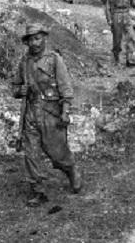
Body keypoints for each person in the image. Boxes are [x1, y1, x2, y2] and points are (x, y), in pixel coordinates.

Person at [12, 22, 82, 206]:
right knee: (31, 153)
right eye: (31, 40)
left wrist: (65, 112)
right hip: (31, 113)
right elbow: (14, 88)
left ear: (44, 38)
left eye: (38, 38)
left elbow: (66, 88)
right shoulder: (24, 62)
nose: (35, 43)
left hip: (50, 112)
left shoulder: (54, 59)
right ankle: (38, 190)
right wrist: (21, 90)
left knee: (57, 151)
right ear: (27, 43)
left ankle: (71, 170)